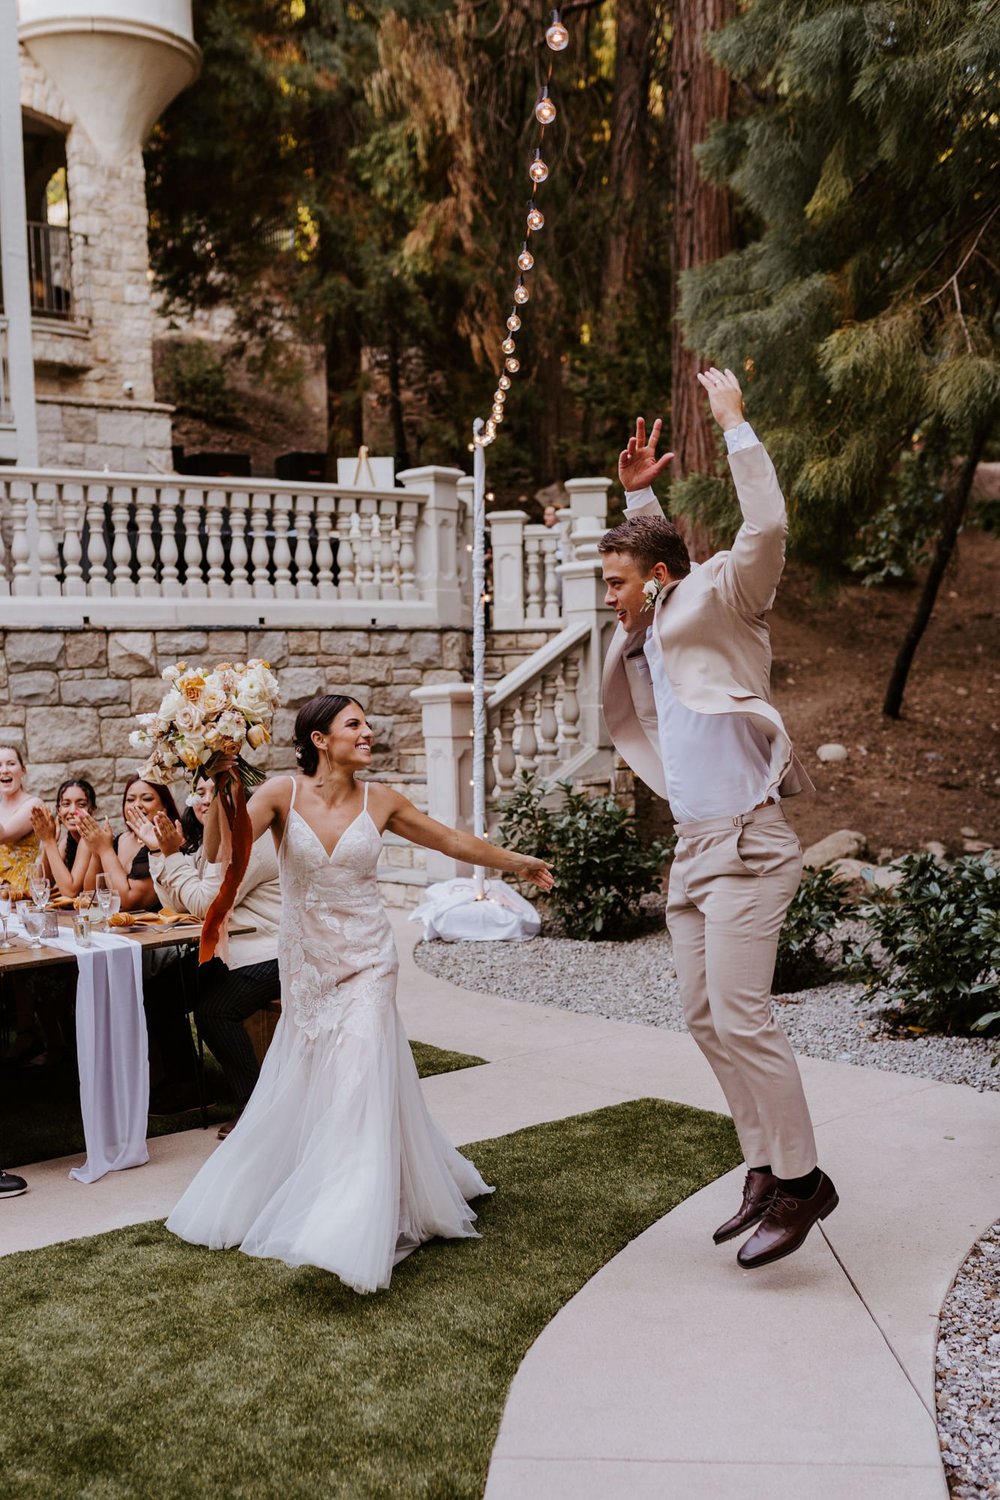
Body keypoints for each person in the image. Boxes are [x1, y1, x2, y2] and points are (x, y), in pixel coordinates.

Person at [166, 693, 554, 1293]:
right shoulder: (279, 793)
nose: (369, 732)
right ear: (320, 739)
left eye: (367, 723)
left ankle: (347, 1219)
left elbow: (450, 841)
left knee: (360, 1074)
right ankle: (305, 1184)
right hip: (308, 962)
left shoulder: (383, 800)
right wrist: (223, 786)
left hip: (370, 957)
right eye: (355, 725)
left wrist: (516, 861)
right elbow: (220, 853)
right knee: (313, 1074)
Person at [598, 367, 837, 1270]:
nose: (608, 595)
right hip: (694, 851)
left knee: (742, 1017)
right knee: (704, 1018)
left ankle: (806, 1181)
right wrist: (641, 496)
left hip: (750, 841)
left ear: (657, 578)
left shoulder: (726, 599)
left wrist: (736, 422)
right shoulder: (650, 629)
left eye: (616, 581)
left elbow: (765, 528)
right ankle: (765, 1168)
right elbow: (654, 558)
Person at [131, 779, 281, 1137]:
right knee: (161, 990)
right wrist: (157, 853)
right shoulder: (209, 842)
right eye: (200, 792)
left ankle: (254, 1104)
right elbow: (175, 905)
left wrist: (170, 855)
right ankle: (189, 1084)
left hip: (270, 949)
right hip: (229, 950)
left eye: (215, 792)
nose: (205, 800)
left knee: (215, 1010)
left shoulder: (252, 841)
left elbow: (204, 905)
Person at [76, 775, 185, 910]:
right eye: (130, 800)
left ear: (164, 807)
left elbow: (129, 902)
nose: (136, 805)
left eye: (147, 799)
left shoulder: (166, 844)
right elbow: (91, 896)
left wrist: (105, 850)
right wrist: (97, 849)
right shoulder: (119, 840)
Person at [31, 777, 98, 898]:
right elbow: (43, 886)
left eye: (81, 804)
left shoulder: (90, 839)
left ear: (92, 811)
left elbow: (70, 892)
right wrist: (50, 842)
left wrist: (48, 841)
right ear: (59, 811)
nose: (72, 811)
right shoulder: (66, 843)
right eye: (66, 804)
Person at [0, 745, 44, 898]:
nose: (4, 770)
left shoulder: (34, 804)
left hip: (21, 893)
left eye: (11, 763)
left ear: (23, 770)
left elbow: (3, 835)